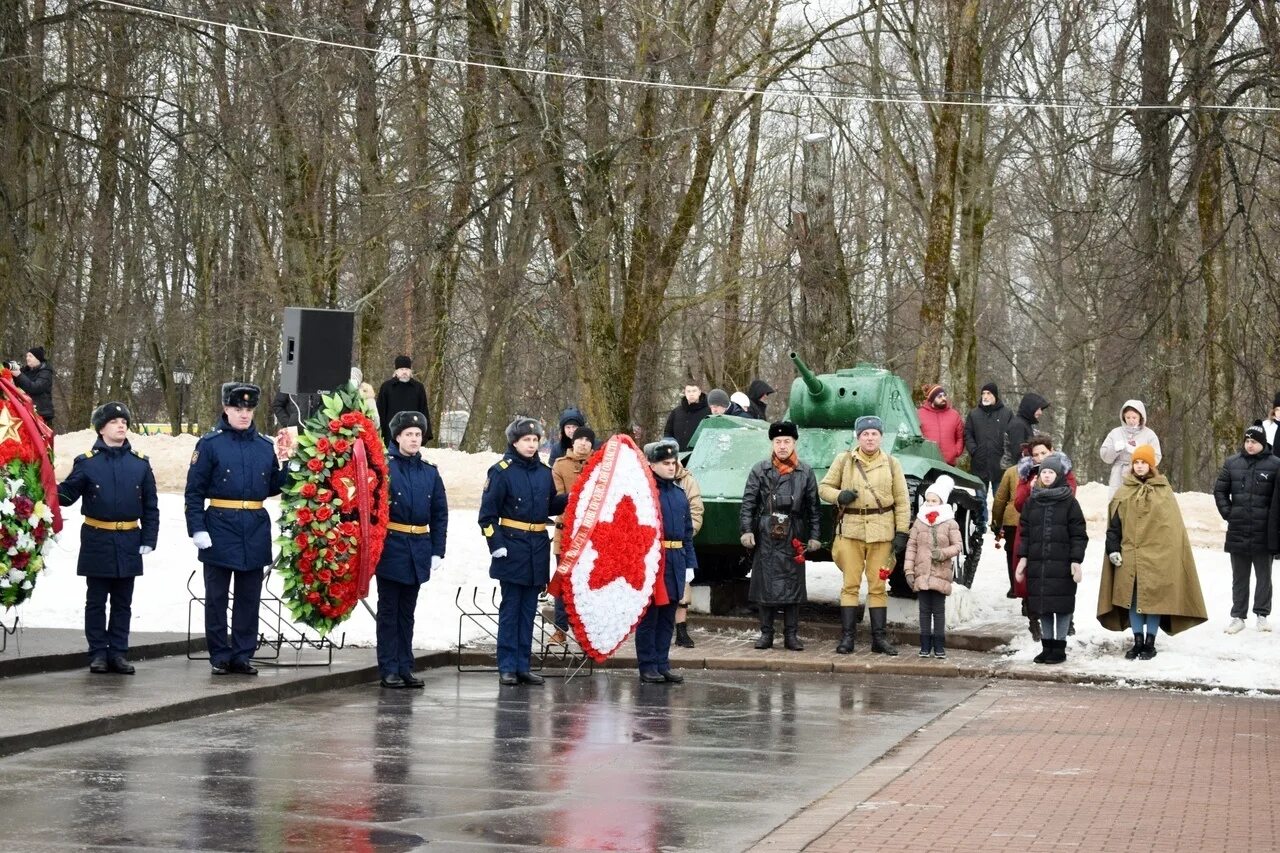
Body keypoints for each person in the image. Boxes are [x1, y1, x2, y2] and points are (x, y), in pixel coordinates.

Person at [184, 382, 290, 675]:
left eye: (249, 409)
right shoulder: (210, 444)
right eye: (237, 408)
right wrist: (197, 528)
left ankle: (243, 653)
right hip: (219, 526)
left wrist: (290, 467)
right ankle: (219, 654)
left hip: (254, 527)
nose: (244, 414)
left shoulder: (265, 446)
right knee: (217, 598)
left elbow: (271, 487)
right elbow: (194, 491)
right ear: (226, 409)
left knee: (249, 597)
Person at [56, 402, 159, 674]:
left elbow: (150, 505)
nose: (121, 425)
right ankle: (98, 653)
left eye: (124, 421)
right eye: (114, 421)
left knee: (123, 602)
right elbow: (66, 496)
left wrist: (149, 537)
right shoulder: (87, 463)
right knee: (97, 601)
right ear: (101, 428)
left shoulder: (140, 464)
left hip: (129, 539)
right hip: (97, 538)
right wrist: (46, 485)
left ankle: (119, 652)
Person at [479, 417, 567, 685]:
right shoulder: (501, 471)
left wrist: (573, 497)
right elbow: (487, 516)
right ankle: (507, 665)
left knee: (529, 610)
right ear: (514, 442)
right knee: (511, 610)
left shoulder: (543, 471)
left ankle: (522, 665)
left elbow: (550, 505)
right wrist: (497, 545)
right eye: (526, 440)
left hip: (536, 547)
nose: (531, 445)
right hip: (512, 546)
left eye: (535, 440)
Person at [1099, 445, 1207, 659]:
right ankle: (1137, 640)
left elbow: (1172, 529)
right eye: (1136, 463)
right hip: (1129, 555)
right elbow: (1114, 527)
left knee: (1155, 600)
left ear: (1151, 465)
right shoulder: (1124, 491)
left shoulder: (1163, 491)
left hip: (1157, 559)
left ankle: (1150, 642)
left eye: (1143, 462)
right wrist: (1113, 549)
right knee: (1133, 599)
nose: (1139, 466)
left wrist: (1166, 555)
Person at [818, 415, 910, 655]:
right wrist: (840, 496)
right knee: (850, 585)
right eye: (865, 434)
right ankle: (847, 638)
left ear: (881, 437)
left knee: (878, 586)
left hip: (881, 531)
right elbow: (823, 488)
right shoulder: (844, 460)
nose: (870, 438)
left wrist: (902, 531)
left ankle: (879, 639)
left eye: (874, 434)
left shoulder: (892, 463)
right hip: (852, 530)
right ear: (858, 437)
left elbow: (902, 500)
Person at [376, 411, 448, 688]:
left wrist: (437, 551)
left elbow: (439, 513)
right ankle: (389, 668)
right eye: (409, 434)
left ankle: (405, 666)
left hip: (418, 547)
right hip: (391, 546)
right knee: (389, 611)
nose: (415, 439)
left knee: (407, 612)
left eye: (418, 435)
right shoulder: (384, 467)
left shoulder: (429, 471)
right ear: (397, 437)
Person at [739, 421, 820, 651]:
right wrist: (746, 530)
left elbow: (813, 507)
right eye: (778, 442)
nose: (782, 446)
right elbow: (748, 503)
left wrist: (814, 535)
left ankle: (791, 635)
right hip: (766, 533)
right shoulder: (760, 470)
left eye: (786, 441)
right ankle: (766, 633)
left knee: (792, 585)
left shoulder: (805, 472)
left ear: (794, 443)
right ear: (772, 444)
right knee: (766, 584)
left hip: (793, 532)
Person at [1015, 452, 1087, 665]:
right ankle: (1047, 646)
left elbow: (1079, 534)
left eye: (1051, 472)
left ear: (1059, 475)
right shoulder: (1032, 502)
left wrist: (1076, 560)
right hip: (1039, 564)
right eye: (1044, 472)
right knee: (1043, 606)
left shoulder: (1069, 502)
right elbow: (1026, 532)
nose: (1046, 476)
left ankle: (1060, 647)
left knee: (1062, 607)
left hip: (1062, 564)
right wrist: (1023, 558)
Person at [635, 440, 695, 684]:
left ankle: (662, 662)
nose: (671, 468)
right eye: (665, 463)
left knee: (668, 615)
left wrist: (689, 564)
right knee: (650, 617)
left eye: (673, 463)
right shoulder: (645, 493)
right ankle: (647, 664)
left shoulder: (679, 494)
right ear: (652, 465)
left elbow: (687, 532)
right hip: (654, 561)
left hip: (676, 559)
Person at [1213, 422, 1280, 634]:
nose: (1250, 445)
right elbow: (1220, 491)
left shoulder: (1276, 464)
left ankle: (1262, 615)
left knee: (1264, 577)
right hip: (1238, 529)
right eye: (1247, 441)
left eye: (1254, 442)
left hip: (1264, 532)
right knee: (1239, 577)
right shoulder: (1232, 463)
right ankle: (1238, 616)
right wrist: (1229, 513)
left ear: (1263, 443)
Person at [1012, 434, 1078, 640]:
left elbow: (1070, 495)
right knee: (1030, 579)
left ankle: (1065, 624)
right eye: (1035, 454)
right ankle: (1034, 619)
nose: (1040, 457)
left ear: (1051, 451)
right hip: (1032, 531)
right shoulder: (1026, 474)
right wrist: (1031, 489)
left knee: (1058, 578)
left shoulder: (1063, 472)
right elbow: (1018, 503)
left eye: (1044, 453)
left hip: (1057, 531)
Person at [904, 475, 962, 658]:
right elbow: (912, 546)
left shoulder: (949, 522)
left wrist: (943, 553)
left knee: (938, 611)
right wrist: (909, 570)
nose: (930, 504)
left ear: (942, 501)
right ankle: (924, 644)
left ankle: (939, 645)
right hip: (922, 572)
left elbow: (958, 546)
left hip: (940, 572)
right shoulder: (920, 521)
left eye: (934, 500)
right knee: (923, 611)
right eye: (927, 500)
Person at [550, 426, 596, 644]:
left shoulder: (600, 466)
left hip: (593, 537)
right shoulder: (560, 466)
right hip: (566, 534)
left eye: (588, 440)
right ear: (572, 442)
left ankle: (586, 631)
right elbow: (557, 499)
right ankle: (560, 628)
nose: (584, 443)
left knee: (588, 584)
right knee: (562, 582)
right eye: (580, 439)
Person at [671, 441, 705, 648]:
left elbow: (696, 508)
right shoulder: (650, 480)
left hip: (681, 542)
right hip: (657, 545)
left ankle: (681, 630)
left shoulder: (687, 481)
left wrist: (689, 531)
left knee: (682, 588)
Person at [1098, 400, 1162, 501]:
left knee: (1137, 505)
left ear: (1141, 417)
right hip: (1118, 476)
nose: (1131, 421)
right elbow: (1105, 456)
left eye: (1134, 417)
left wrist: (1139, 453)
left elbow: (1156, 458)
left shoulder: (1149, 435)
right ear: (1123, 417)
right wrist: (1115, 449)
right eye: (1128, 417)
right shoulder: (1115, 433)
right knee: (1117, 504)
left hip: (1140, 476)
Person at [964, 382, 1013, 512]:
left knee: (1001, 501)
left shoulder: (1007, 413)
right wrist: (974, 450)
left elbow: (1012, 435)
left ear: (995, 396)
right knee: (979, 501)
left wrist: (1007, 455)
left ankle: (999, 528)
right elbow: (968, 433)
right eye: (983, 393)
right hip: (979, 463)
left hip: (1000, 465)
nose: (985, 396)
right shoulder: (974, 414)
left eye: (988, 393)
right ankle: (980, 529)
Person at [991, 440, 1028, 598]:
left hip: (1012, 520)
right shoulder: (1046, 472)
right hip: (1031, 519)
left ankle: (1014, 587)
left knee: (1012, 553)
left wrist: (996, 522)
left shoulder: (1012, 471)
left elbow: (1000, 499)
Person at [376, 356, 432, 447]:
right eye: (401, 369)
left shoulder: (418, 387)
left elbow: (423, 410)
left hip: (413, 432)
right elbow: (381, 411)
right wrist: (379, 432)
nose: (404, 372)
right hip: (391, 432)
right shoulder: (386, 387)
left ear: (410, 371)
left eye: (406, 369)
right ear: (396, 371)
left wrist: (425, 433)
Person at [916, 384, 964, 466]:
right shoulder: (919, 414)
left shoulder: (954, 415)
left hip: (949, 464)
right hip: (927, 463)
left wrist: (955, 451)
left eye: (944, 395)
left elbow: (960, 437)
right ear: (931, 399)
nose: (943, 398)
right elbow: (916, 436)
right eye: (939, 396)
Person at [1002, 392, 1049, 468]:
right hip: (1016, 472)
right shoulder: (1018, 425)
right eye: (1038, 409)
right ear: (1030, 408)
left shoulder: (1025, 424)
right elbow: (1018, 454)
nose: (1040, 413)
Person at [13, 346, 54, 427]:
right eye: (27, 356)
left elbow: (35, 388)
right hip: (27, 411)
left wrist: (19, 375)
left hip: (41, 413)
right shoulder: (25, 371)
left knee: (39, 439)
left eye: (30, 356)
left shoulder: (46, 372)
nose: (27, 358)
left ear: (38, 358)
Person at [662, 383, 710, 450]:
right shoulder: (676, 412)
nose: (691, 394)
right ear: (685, 392)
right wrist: (671, 448)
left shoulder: (709, 411)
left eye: (694, 391)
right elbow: (668, 433)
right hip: (679, 455)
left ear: (699, 392)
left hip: (701, 454)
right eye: (688, 391)